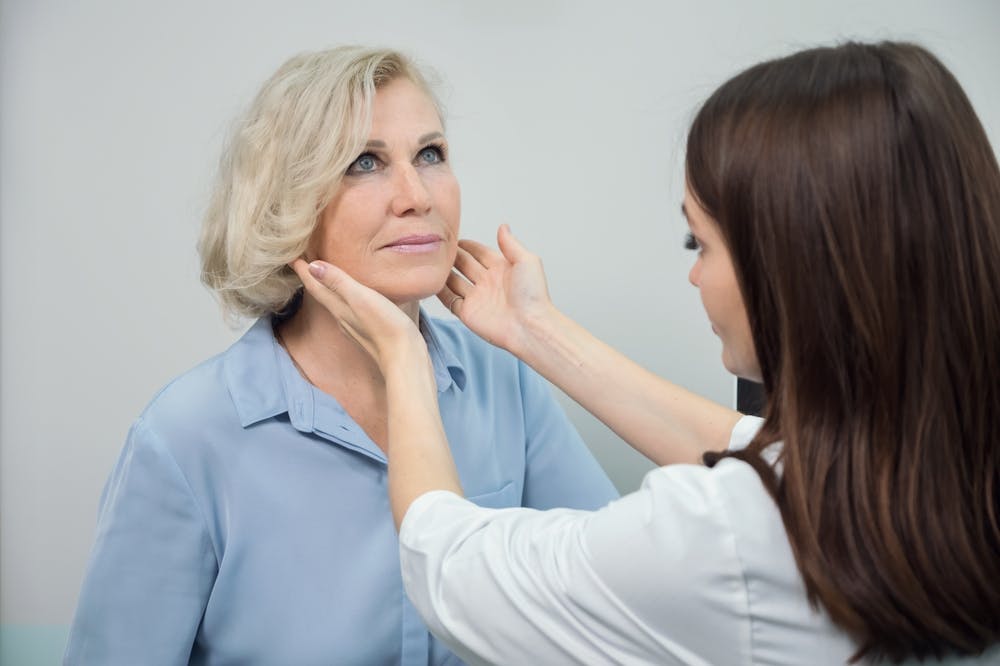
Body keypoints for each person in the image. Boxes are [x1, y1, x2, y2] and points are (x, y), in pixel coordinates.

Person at [295, 41, 1000, 665]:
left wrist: (405, 361)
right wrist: (534, 330)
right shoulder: (941, 466)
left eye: (702, 243)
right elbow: (769, 458)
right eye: (365, 163)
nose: (695, 274)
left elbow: (450, 571)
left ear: (796, 269)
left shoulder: (733, 536)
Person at [64, 46, 617, 665]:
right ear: (288, 209)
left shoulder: (502, 378)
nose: (416, 196)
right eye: (364, 162)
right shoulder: (185, 438)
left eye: (430, 154)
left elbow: (616, 599)